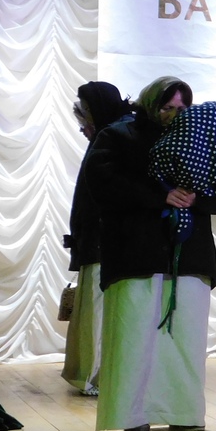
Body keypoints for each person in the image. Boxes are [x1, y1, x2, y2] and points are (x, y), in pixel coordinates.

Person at [84, 76, 216, 431]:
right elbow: (102, 184)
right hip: (136, 257)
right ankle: (132, 416)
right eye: (167, 107)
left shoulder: (204, 137)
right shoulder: (119, 135)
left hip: (189, 259)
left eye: (181, 107)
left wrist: (198, 197)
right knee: (133, 339)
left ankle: (184, 412)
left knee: (184, 342)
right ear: (150, 104)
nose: (174, 114)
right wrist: (159, 196)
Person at [61, 81, 131, 396]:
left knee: (99, 311)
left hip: (106, 243)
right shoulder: (109, 136)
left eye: (86, 115)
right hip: (97, 242)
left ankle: (97, 376)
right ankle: (92, 374)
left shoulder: (115, 138)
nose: (83, 126)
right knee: (93, 310)